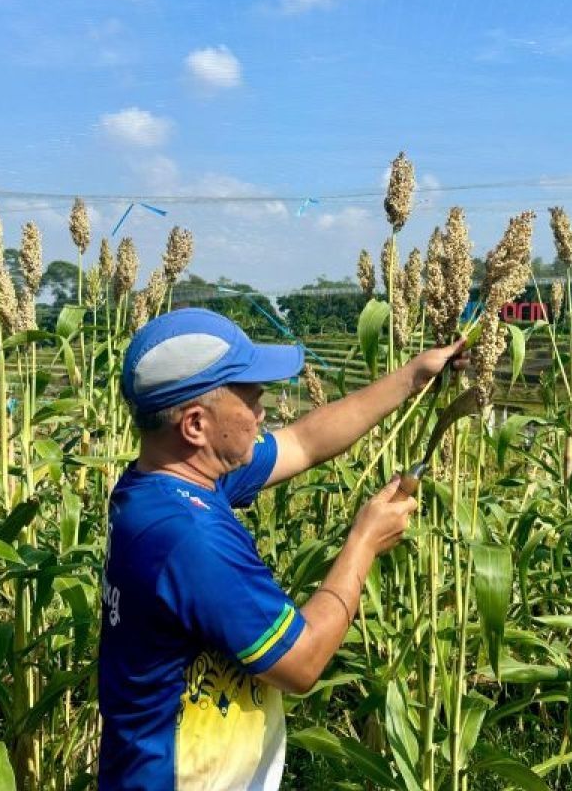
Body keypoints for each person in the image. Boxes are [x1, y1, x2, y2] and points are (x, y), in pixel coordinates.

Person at [98, 308, 466, 790]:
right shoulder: (189, 538)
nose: (262, 413)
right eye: (250, 400)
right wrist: (364, 543)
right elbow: (302, 662)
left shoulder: (163, 485)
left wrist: (413, 375)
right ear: (195, 426)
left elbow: (304, 441)